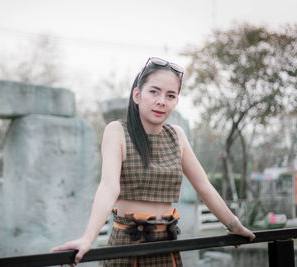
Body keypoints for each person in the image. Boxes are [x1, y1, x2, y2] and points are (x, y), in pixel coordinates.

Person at [52, 57, 255, 266]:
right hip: (128, 244)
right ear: (137, 95)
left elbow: (204, 186)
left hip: (166, 244)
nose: (161, 101)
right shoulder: (117, 131)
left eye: (170, 95)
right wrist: (88, 238)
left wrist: (234, 225)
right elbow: (108, 187)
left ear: (176, 101)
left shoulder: (177, 135)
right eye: (154, 91)